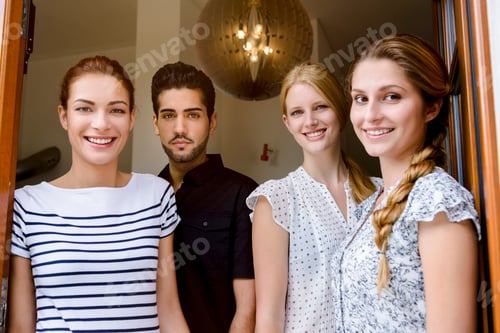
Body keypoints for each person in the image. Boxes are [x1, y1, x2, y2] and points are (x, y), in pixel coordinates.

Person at [8, 55, 189, 333]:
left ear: (131, 119)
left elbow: (168, 307)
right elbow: (21, 325)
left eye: (116, 110)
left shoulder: (156, 195)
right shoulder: (27, 204)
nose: (101, 123)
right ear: (64, 116)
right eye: (85, 109)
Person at [333, 33, 481, 332]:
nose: (370, 115)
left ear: (431, 107)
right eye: (361, 98)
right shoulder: (373, 202)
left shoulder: (438, 202)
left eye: (391, 96)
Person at [246, 62, 378, 332]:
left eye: (320, 107)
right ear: (287, 122)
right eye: (297, 112)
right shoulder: (276, 200)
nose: (310, 121)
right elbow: (269, 316)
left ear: (341, 110)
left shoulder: (382, 193)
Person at [150, 61, 258, 333]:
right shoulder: (146, 195)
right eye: (168, 115)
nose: (179, 128)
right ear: (155, 123)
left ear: (212, 122)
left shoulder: (242, 194)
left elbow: (247, 310)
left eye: (193, 115)